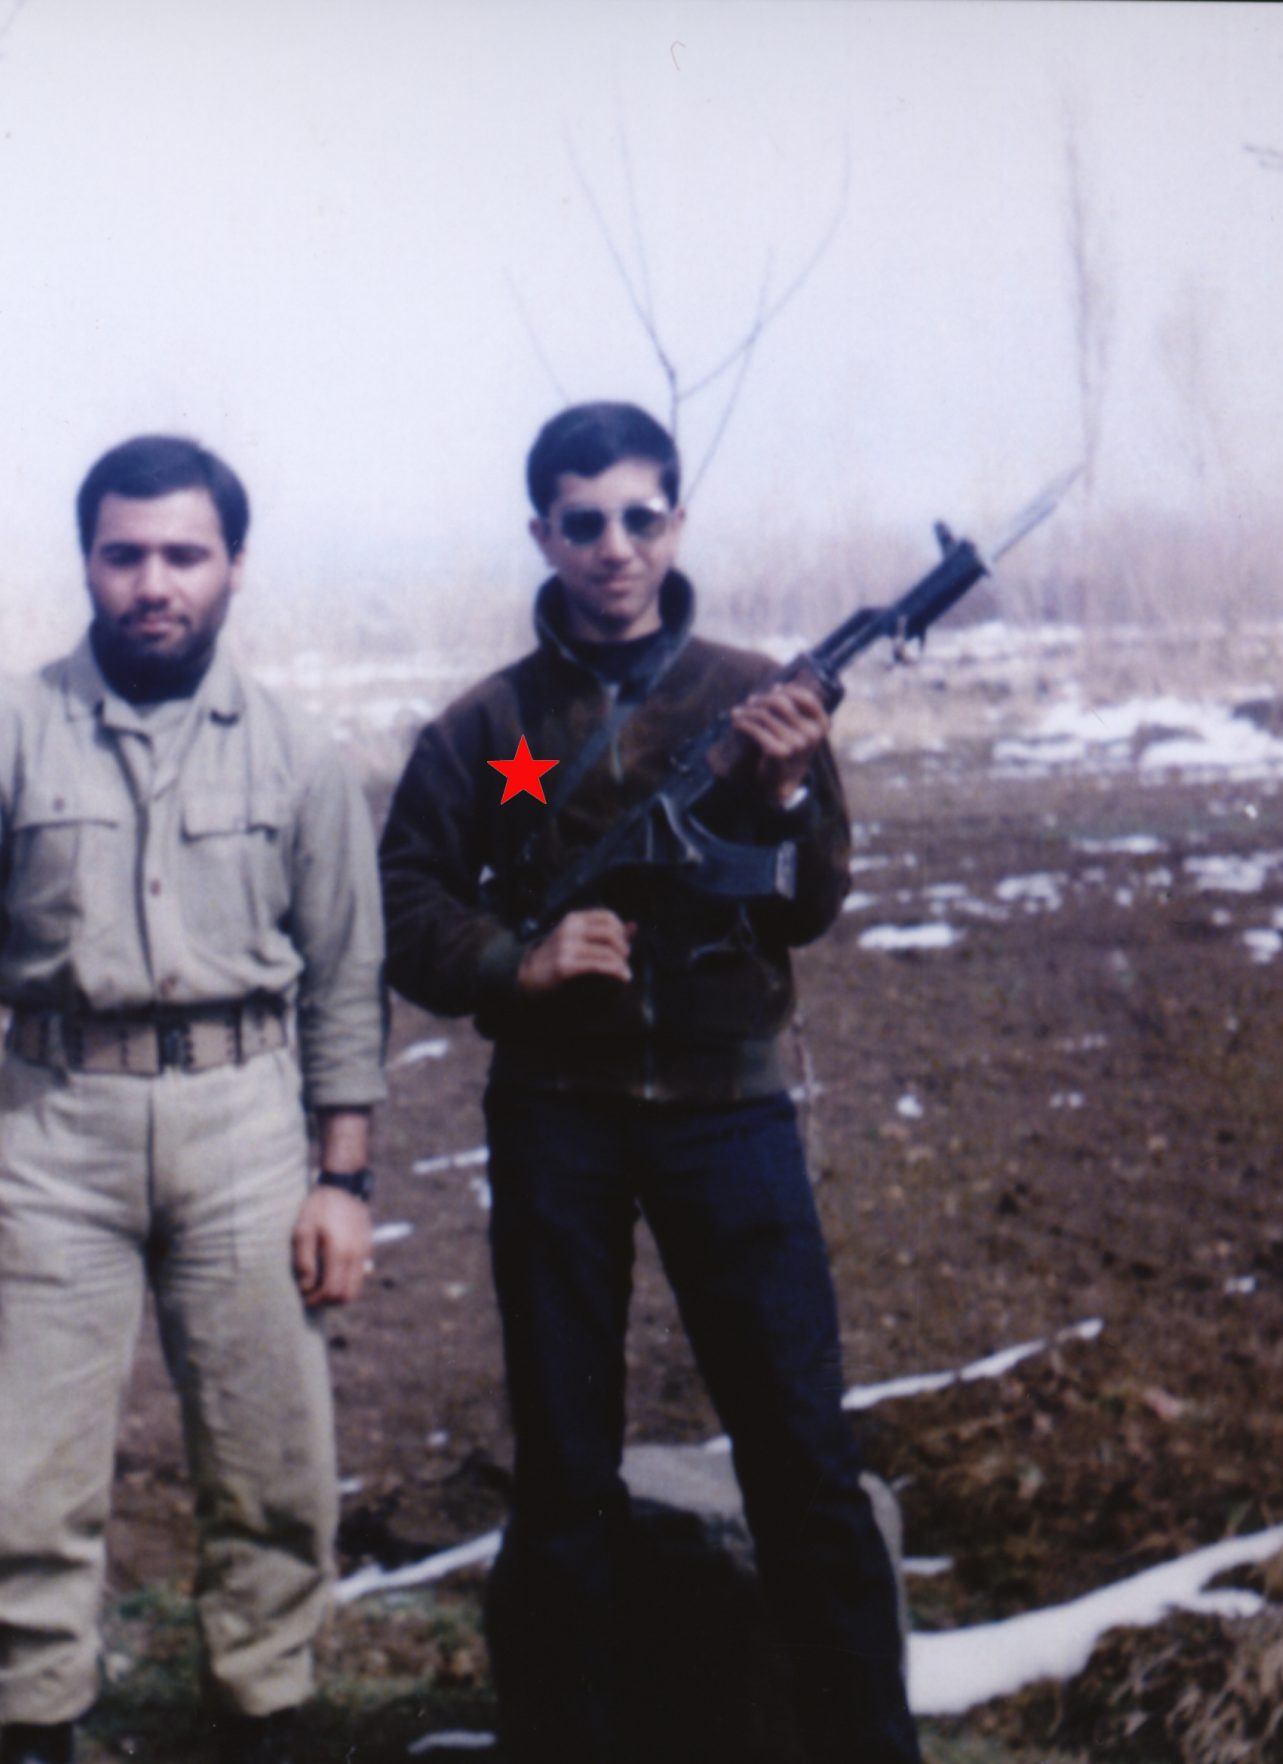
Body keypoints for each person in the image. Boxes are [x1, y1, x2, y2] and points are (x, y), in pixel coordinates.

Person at [377, 402, 922, 1762]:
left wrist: (784, 795)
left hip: (729, 1116)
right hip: (557, 1124)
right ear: (542, 534)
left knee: (802, 1460)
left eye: (639, 517)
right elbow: (409, 906)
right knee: (565, 1473)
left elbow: (810, 907)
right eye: (584, 522)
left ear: (676, 523)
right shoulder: (487, 727)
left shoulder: (759, 695)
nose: (614, 548)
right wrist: (520, 961)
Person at [0, 435, 387, 1764]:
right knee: (29, 1470)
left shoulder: (299, 755)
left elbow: (347, 981)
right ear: (88, 563)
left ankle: (264, 1713)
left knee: (273, 1462)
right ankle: (37, 1724)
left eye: (184, 554)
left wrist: (343, 1181)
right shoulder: (0, 739)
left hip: (246, 1127)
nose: (153, 583)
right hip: (54, 1127)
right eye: (125, 555)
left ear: (234, 566)